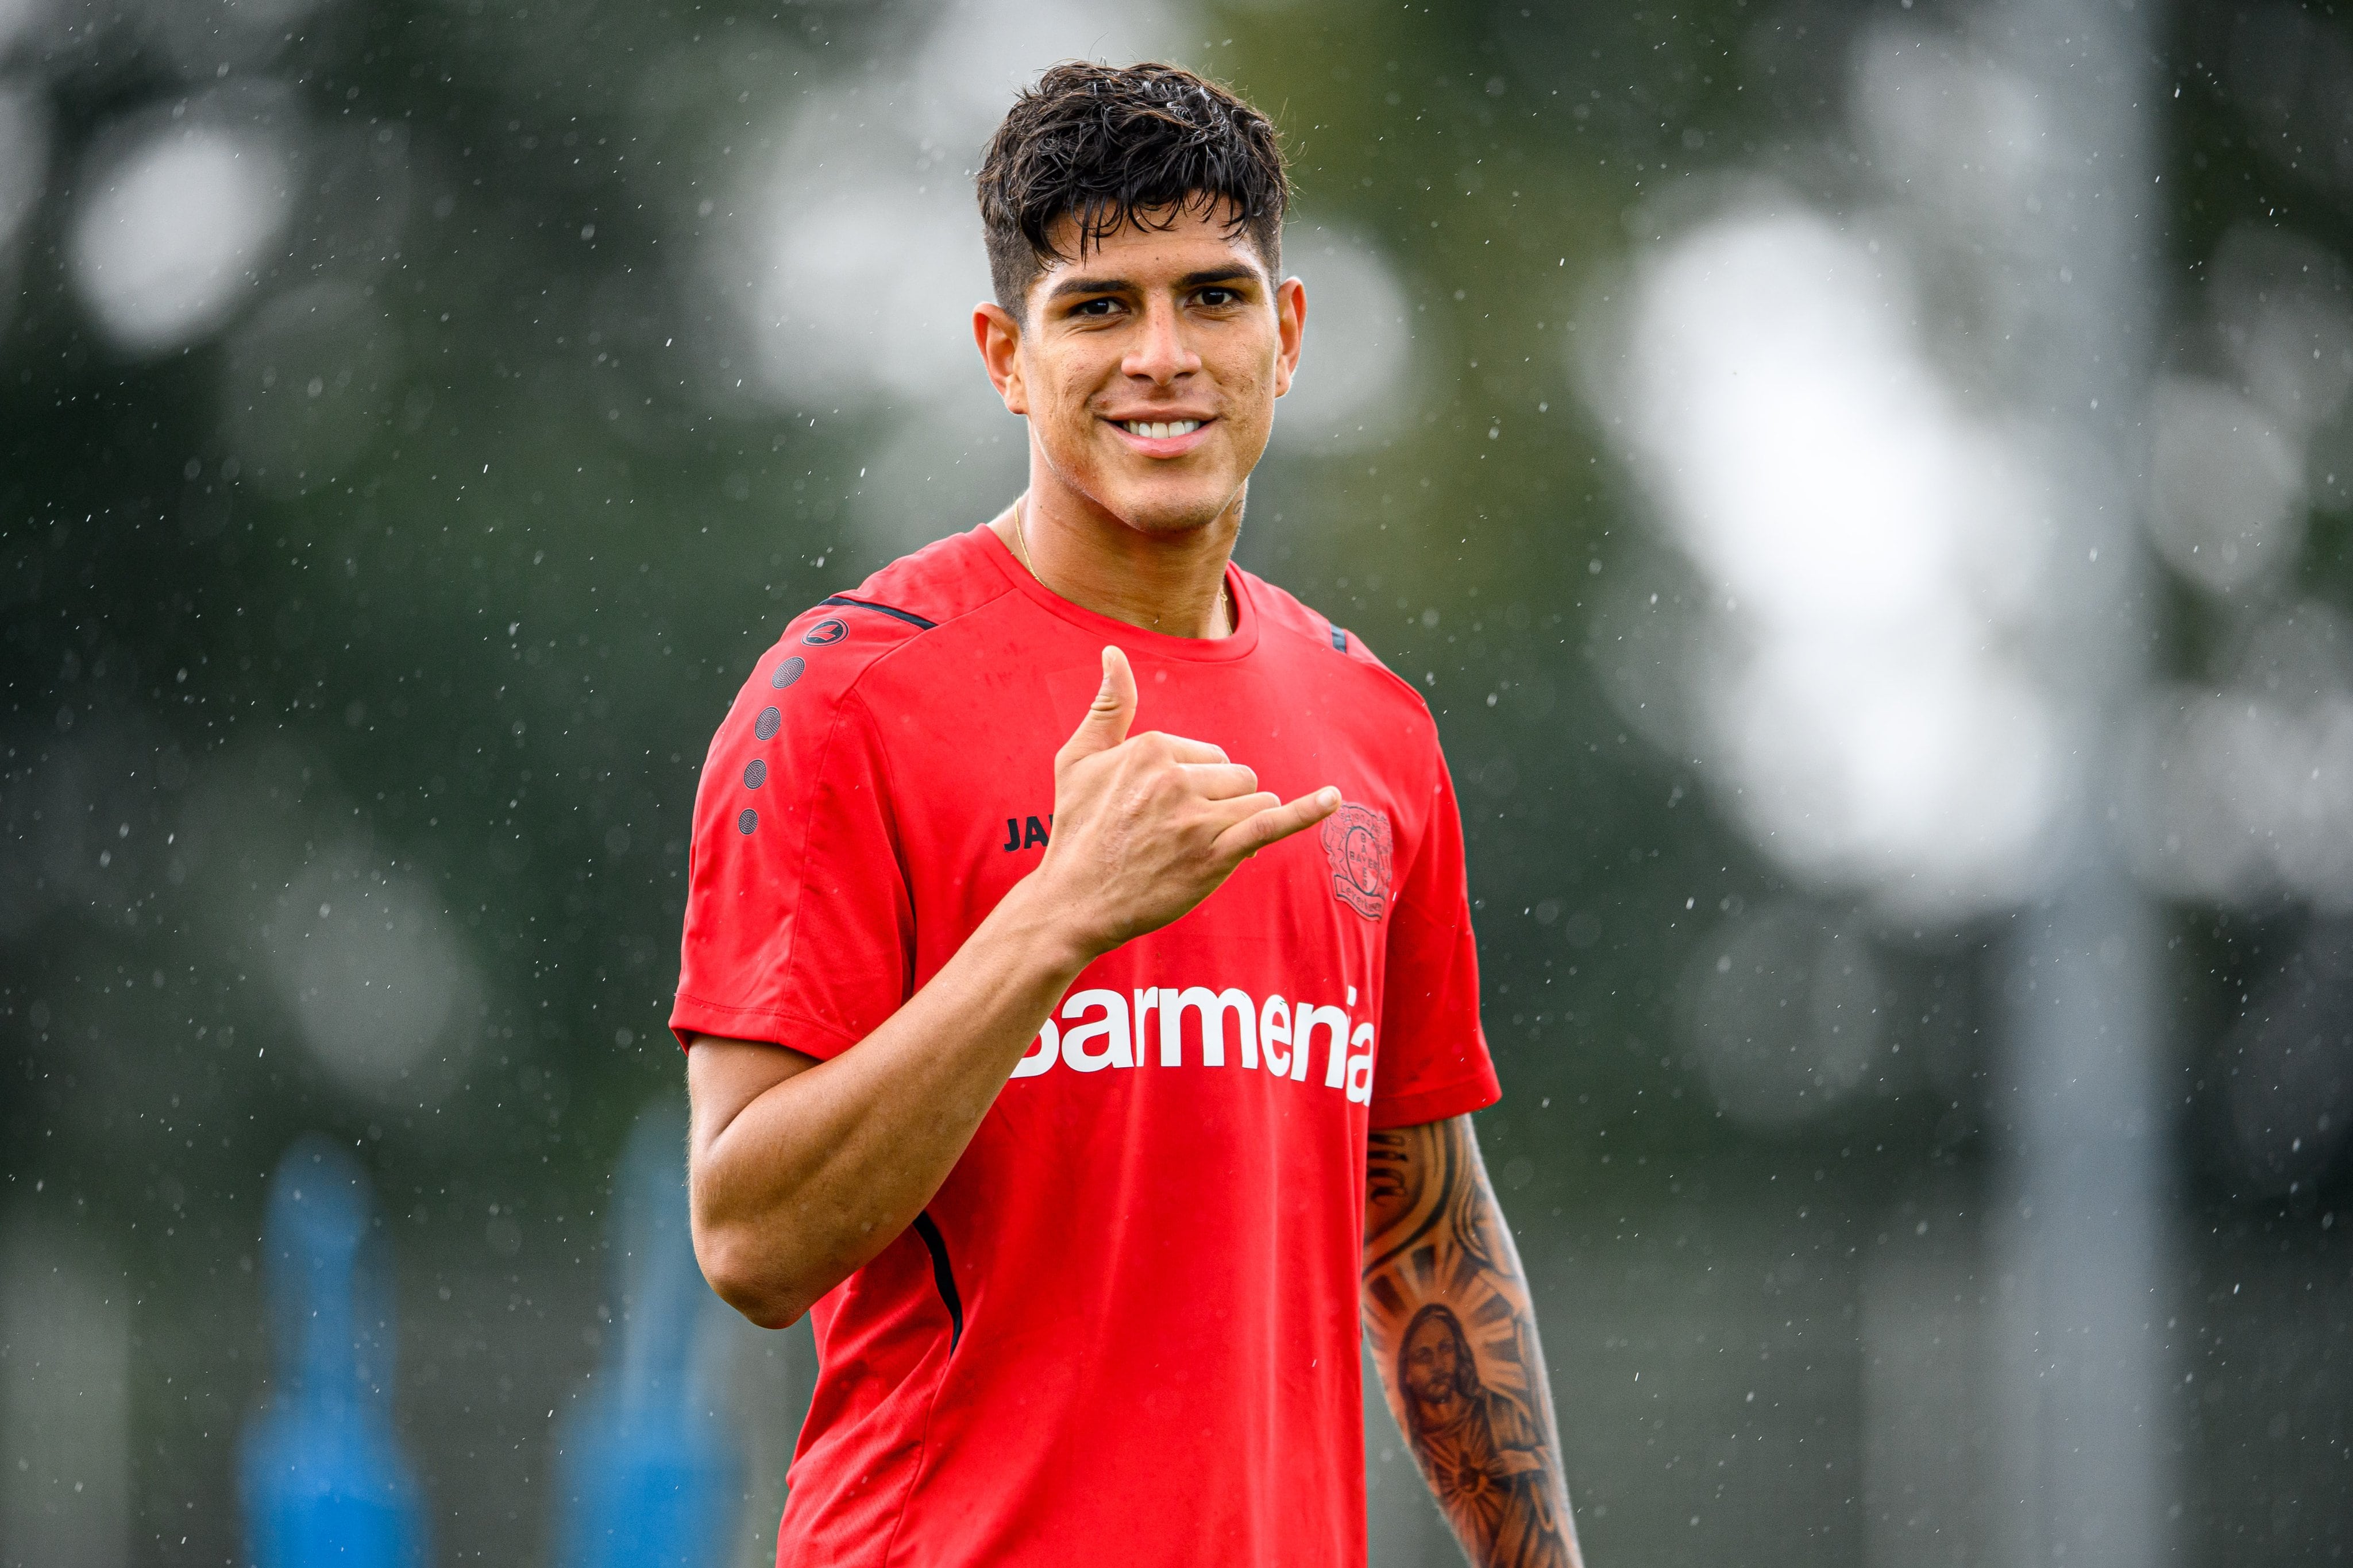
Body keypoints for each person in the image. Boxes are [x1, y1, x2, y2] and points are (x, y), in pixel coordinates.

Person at [674, 59, 1585, 1568]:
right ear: (1005, 357)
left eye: (1214, 298)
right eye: (1100, 307)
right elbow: (751, 1240)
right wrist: (1059, 916)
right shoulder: (840, 700)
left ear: (1285, 338)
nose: (1165, 355)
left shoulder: (1376, 729)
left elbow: (1429, 1243)